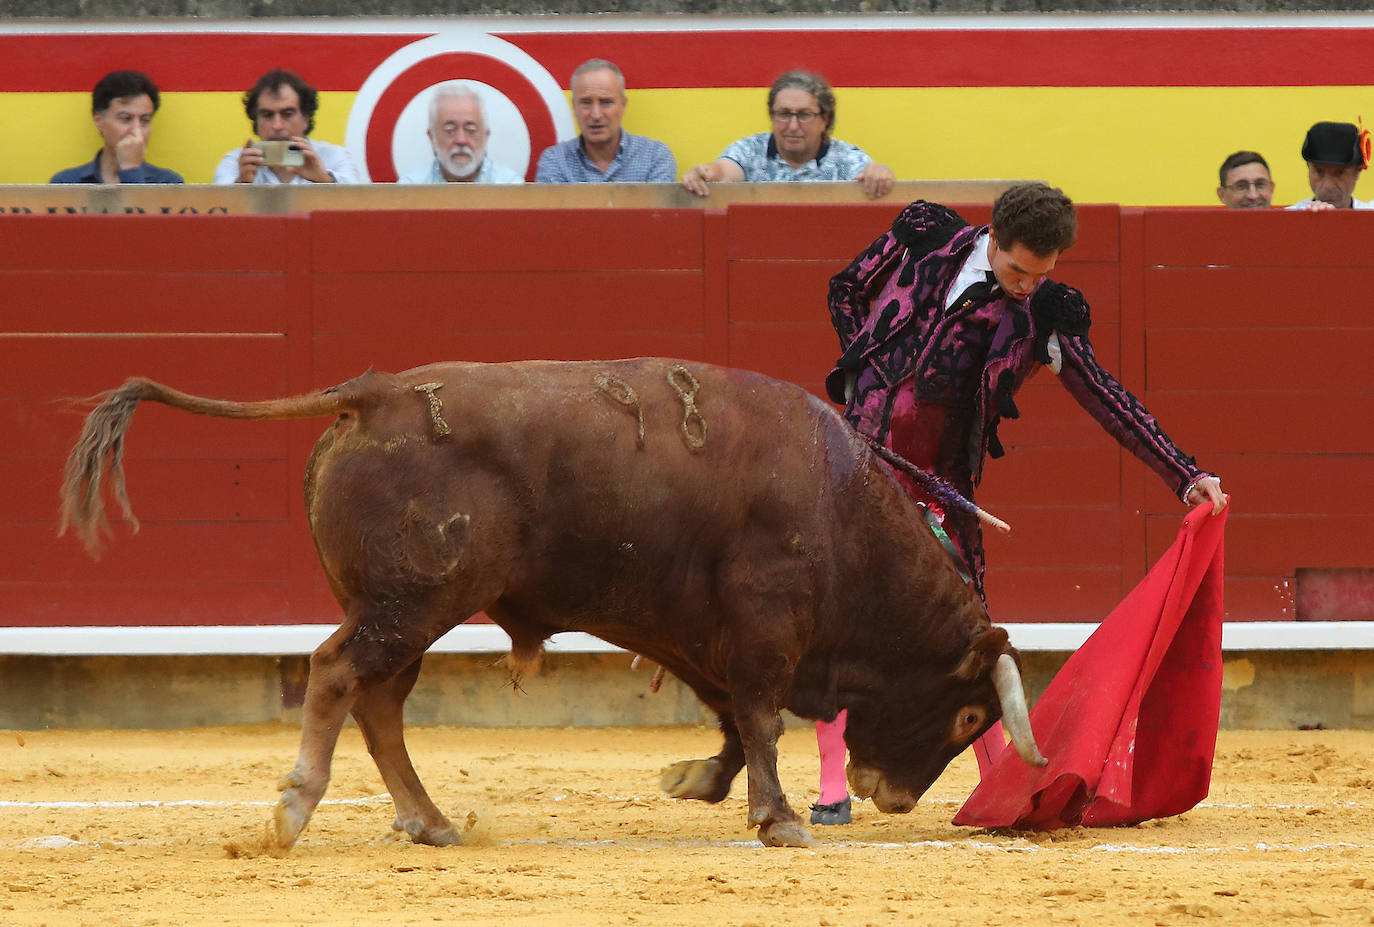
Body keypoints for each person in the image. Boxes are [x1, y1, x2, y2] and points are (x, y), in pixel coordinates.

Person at [810, 182, 1227, 826]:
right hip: (855, 465)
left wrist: (1183, 473)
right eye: (1016, 271)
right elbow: (845, 287)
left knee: (969, 631)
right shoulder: (924, 235)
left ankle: (999, 780)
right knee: (833, 614)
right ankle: (831, 782)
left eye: (1042, 274)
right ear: (991, 238)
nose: (1027, 286)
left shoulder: (1043, 315)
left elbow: (1106, 398)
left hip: (938, 484)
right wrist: (862, 364)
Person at [681, 70, 894, 200]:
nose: (793, 126)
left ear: (825, 119)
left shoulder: (847, 157)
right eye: (783, 114)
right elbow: (724, 172)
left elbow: (870, 174)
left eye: (804, 115)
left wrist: (878, 173)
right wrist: (706, 173)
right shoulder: (749, 149)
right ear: (772, 115)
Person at [534, 59, 676, 183]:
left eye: (606, 102)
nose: (596, 114)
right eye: (586, 103)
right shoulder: (556, 161)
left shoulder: (654, 157)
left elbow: (659, 214)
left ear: (623, 105)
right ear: (574, 107)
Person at [213, 68, 361, 185]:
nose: (277, 126)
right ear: (255, 121)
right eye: (267, 115)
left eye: (287, 114)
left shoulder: (334, 157)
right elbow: (219, 213)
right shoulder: (236, 163)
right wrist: (242, 183)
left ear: (306, 119)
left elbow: (358, 203)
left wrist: (324, 179)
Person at [50, 70, 183, 184]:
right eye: (126, 119)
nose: (136, 130)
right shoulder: (67, 183)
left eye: (145, 120)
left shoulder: (167, 183)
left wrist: (131, 170)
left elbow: (141, 213)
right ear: (99, 121)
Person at [398, 82, 524, 184]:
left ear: (486, 136)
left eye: (471, 131)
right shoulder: (410, 190)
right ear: (432, 138)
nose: (461, 140)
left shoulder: (510, 187)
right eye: (449, 130)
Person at [1286, 121, 1372, 211]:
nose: (1328, 186)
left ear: (1357, 171)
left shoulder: (1370, 216)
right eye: (1319, 172)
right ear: (1308, 168)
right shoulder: (1287, 219)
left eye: (1340, 173)